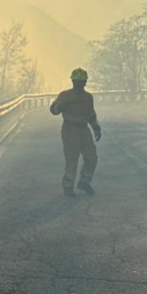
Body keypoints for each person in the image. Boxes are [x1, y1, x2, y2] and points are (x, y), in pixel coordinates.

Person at [49, 68, 102, 197]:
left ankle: (84, 181)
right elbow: (53, 110)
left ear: (85, 83)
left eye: (81, 82)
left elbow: (91, 114)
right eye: (77, 82)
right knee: (72, 159)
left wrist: (96, 128)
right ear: (73, 82)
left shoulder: (88, 97)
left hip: (84, 129)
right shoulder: (65, 95)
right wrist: (59, 106)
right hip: (70, 129)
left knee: (92, 157)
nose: (79, 85)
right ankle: (68, 186)